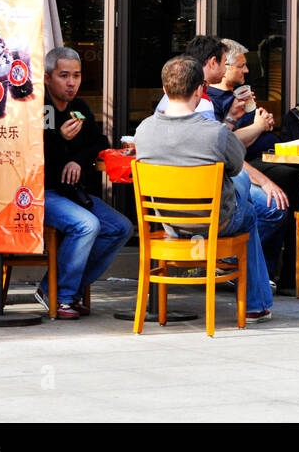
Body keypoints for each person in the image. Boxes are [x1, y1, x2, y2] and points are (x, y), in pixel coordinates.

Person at [134, 55, 274, 322]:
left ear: (165, 89)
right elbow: (235, 167)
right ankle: (256, 304)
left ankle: (255, 299)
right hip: (216, 223)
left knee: (241, 187)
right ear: (200, 90)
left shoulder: (143, 131)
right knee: (247, 203)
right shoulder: (215, 133)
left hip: (168, 224)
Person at [40, 46, 133, 320]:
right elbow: (28, 152)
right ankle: (61, 295)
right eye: (64, 76)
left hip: (71, 193)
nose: (71, 83)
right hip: (38, 191)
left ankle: (61, 289)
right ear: (47, 78)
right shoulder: (38, 108)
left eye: (77, 76)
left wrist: (78, 160)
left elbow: (99, 143)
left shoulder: (79, 108)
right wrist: (59, 139)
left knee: (120, 227)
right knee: (87, 225)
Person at [208, 38, 298, 287]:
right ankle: (251, 268)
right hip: (245, 166)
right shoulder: (212, 102)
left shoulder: (239, 96)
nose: (247, 71)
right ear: (223, 66)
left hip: (267, 155)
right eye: (241, 66)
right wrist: (258, 127)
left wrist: (262, 124)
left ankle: (280, 271)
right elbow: (224, 146)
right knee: (285, 188)